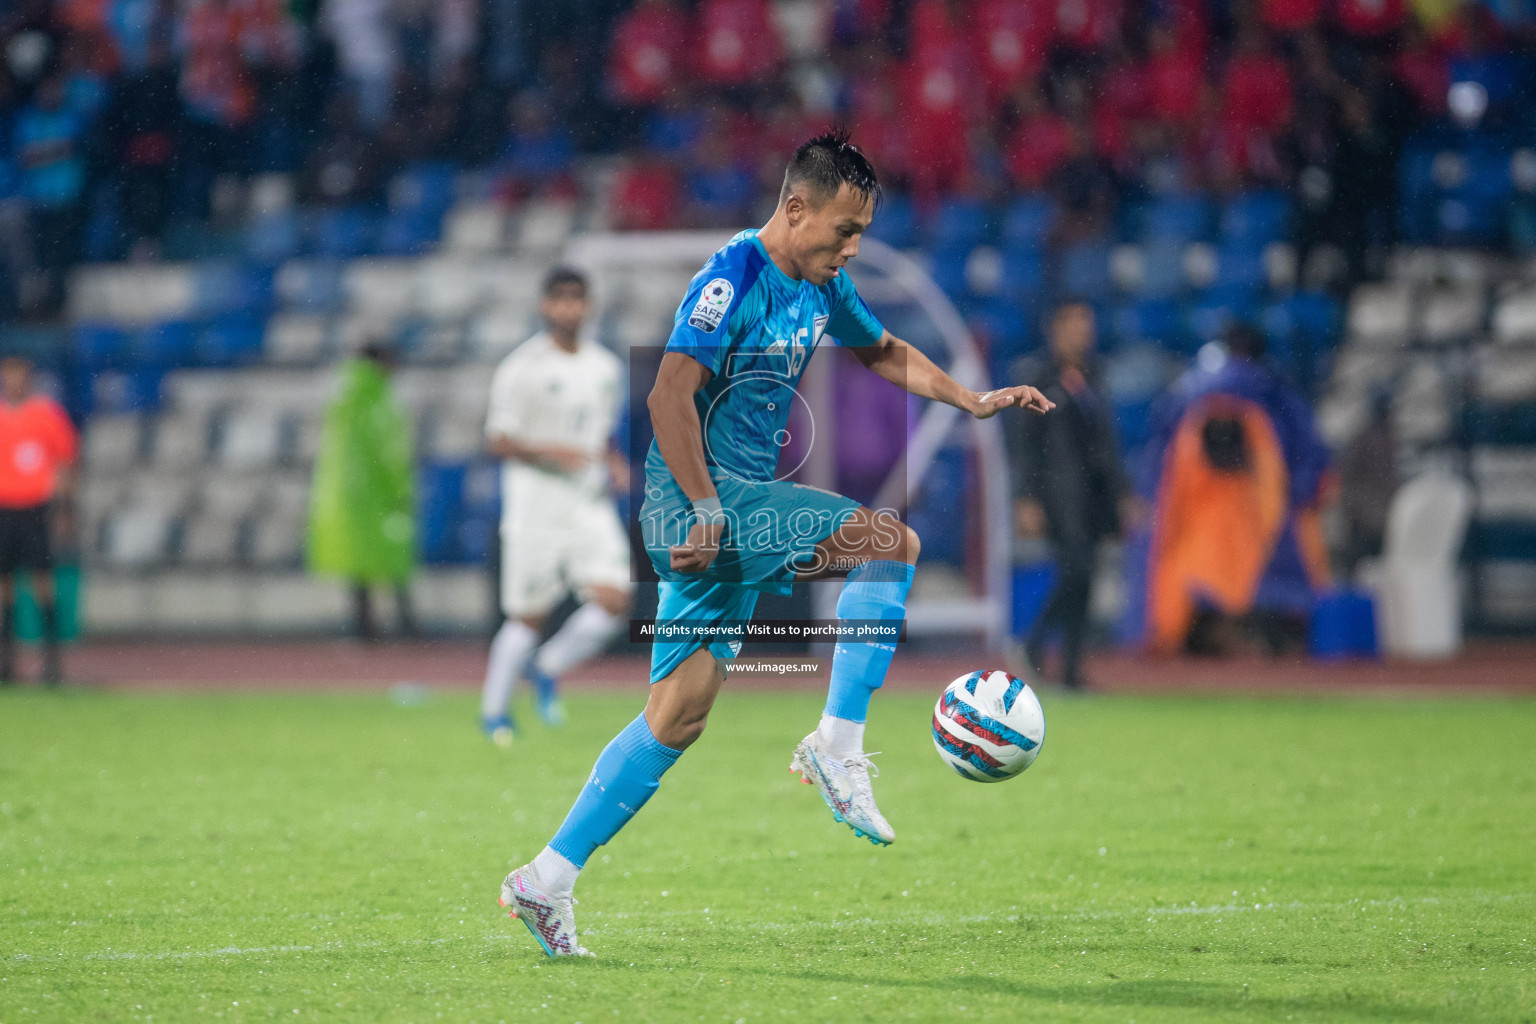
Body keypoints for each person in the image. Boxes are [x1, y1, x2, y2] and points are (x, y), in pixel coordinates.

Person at [496, 130, 1054, 958]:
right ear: (795, 208)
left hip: (729, 506)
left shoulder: (823, 283)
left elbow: (885, 350)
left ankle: (546, 878)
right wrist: (704, 506)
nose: (853, 246)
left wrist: (967, 399)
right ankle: (837, 745)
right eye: (844, 229)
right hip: (706, 501)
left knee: (678, 714)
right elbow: (666, 395)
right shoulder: (732, 279)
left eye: (861, 231)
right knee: (888, 544)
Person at [479, 267, 633, 744]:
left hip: (587, 503)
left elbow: (598, 431)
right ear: (545, 306)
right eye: (559, 300)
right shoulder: (521, 368)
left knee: (615, 599)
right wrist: (553, 451)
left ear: (588, 305)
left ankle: (547, 667)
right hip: (536, 507)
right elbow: (498, 440)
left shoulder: (606, 367)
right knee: (529, 615)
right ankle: (495, 714)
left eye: (577, 299)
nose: (569, 309)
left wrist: (614, 460)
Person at [1131, 324, 1332, 655]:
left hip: (1200, 510)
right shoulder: (1276, 392)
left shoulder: (1189, 390)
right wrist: (1302, 492)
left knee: (1200, 579)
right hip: (1260, 509)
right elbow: (1308, 454)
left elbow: (1157, 457)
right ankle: (1265, 641)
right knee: (1269, 581)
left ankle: (1204, 637)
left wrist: (1149, 497)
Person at [1006, 301, 1131, 690]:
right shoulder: (1037, 377)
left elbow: (1106, 442)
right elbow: (1024, 443)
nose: (1082, 331)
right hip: (1057, 494)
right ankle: (1034, 642)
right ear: (1054, 329)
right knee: (1076, 570)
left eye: (1086, 324)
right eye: (1074, 323)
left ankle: (1072, 670)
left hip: (1094, 495)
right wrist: (1025, 498)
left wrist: (1122, 493)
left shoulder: (1095, 375)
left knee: (1087, 578)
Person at [305, 341, 416, 640]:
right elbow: (388, 451)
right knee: (393, 560)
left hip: (344, 493)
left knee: (360, 567)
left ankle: (365, 628)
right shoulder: (376, 398)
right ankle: (406, 628)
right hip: (376, 493)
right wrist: (400, 489)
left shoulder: (342, 392)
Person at [0, 355, 78, 686]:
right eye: (8, 374)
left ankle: (52, 661)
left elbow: (65, 461)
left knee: (42, 584)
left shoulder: (46, 415)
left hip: (36, 509)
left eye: (18, 374)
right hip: (4, 509)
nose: (13, 380)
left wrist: (63, 508)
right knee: (4, 587)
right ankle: (6, 662)